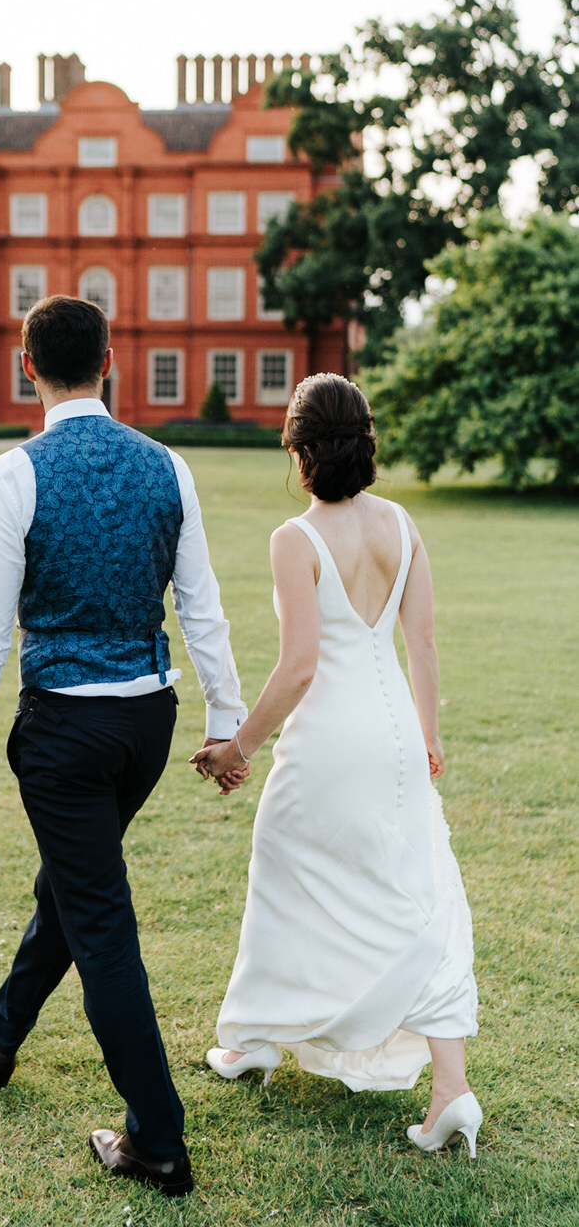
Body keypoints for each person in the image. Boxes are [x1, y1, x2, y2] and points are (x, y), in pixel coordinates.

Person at [0, 295, 247, 1197]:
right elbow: (201, 607)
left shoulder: (11, 475)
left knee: (101, 922)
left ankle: (158, 1139)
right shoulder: (167, 467)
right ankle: (4, 1022)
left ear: (25, 365)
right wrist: (221, 720)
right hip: (147, 726)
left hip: (65, 730)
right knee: (75, 885)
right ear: (110, 362)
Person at [191, 373, 481, 1158]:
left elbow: (297, 669)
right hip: (391, 734)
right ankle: (445, 1087)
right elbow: (419, 643)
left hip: (327, 742)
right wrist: (427, 736)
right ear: (366, 443)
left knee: (281, 867)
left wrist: (236, 748)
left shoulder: (296, 537)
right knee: (413, 891)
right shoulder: (401, 525)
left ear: (296, 450)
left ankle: (253, 1038)